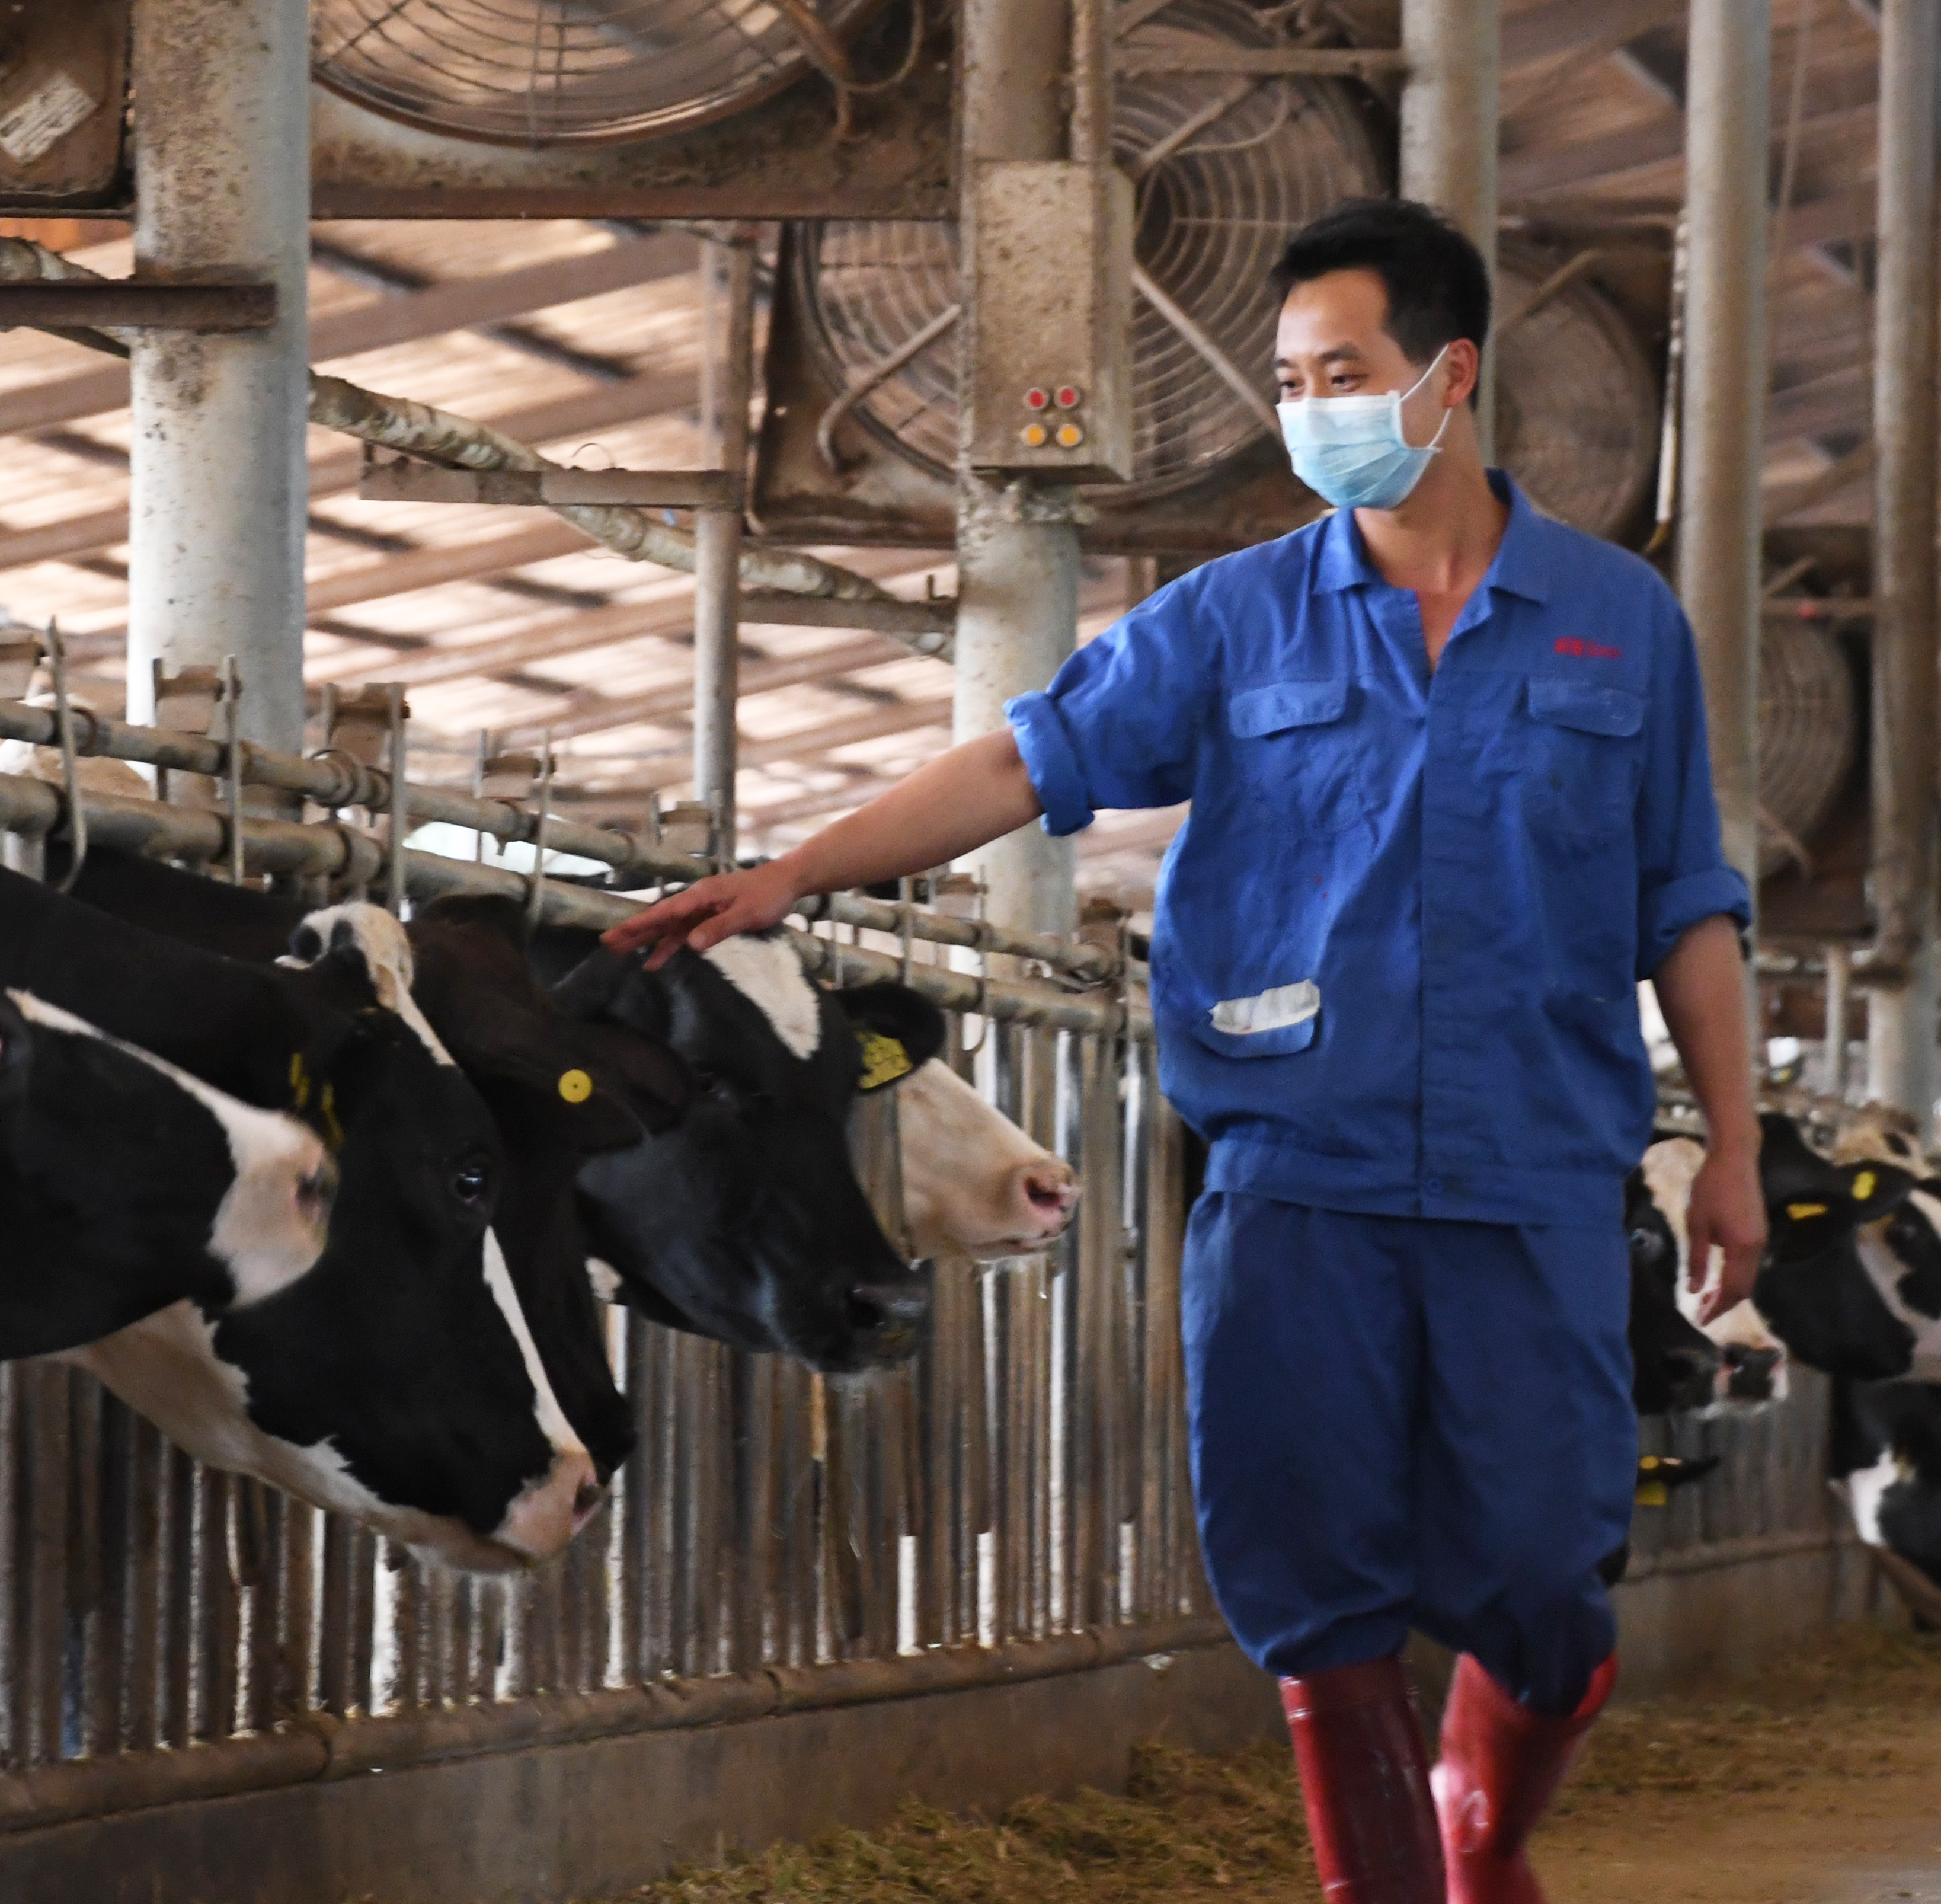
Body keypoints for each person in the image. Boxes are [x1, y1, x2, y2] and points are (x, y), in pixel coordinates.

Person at [601, 197, 1767, 1904]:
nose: (1311, 410)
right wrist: (794, 868)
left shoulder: (1619, 620)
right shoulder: (1234, 618)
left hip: (1531, 1176)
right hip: (1295, 1172)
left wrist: (1732, 1142)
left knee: (1543, 1575)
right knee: (1309, 1572)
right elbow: (1026, 761)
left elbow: (1688, 904)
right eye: (1289, 381)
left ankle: (1483, 1825)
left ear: (1448, 375)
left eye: (1343, 373)